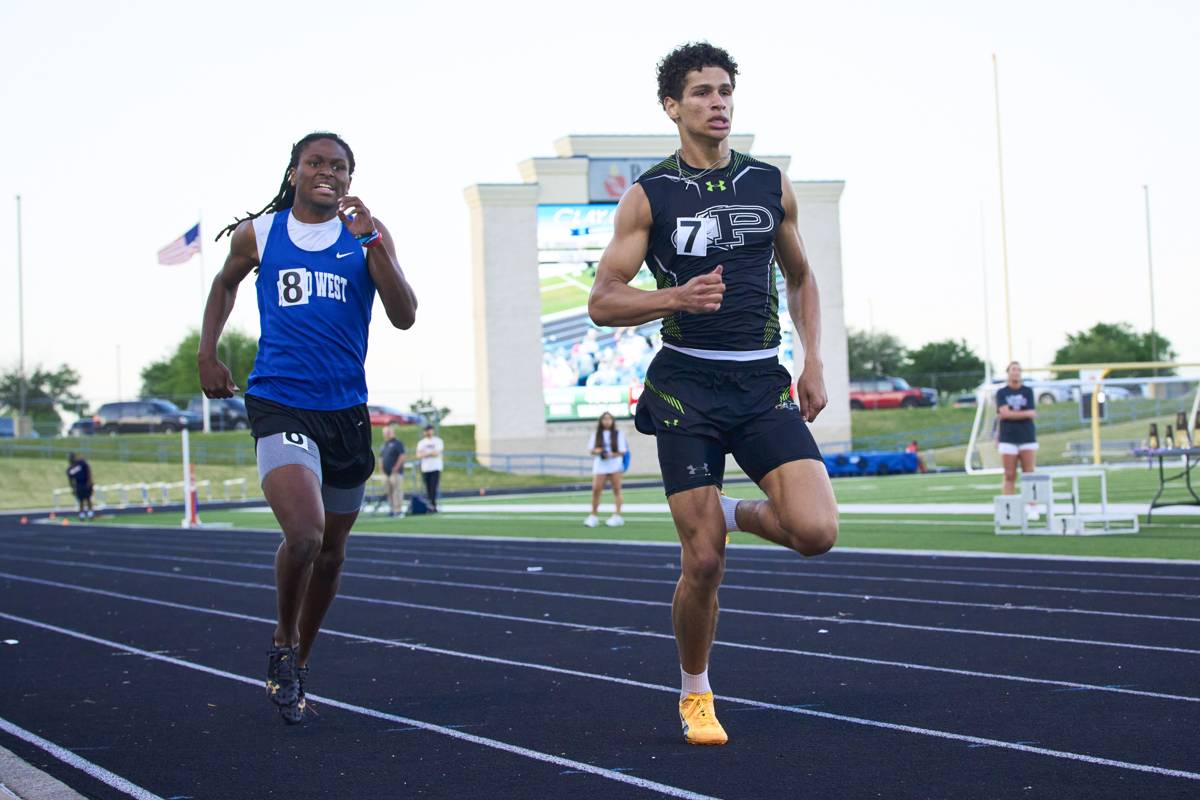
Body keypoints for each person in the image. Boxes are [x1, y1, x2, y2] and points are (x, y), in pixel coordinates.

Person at [588, 42, 838, 746]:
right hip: (686, 387)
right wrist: (674, 297)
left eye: (725, 90)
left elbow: (802, 277)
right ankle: (695, 690)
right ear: (672, 107)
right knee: (702, 561)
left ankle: (728, 510)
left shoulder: (770, 183)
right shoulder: (649, 196)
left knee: (816, 531)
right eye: (701, 92)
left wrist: (813, 360)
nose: (717, 102)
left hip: (761, 383)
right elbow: (603, 300)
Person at [198, 132, 417, 725]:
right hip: (280, 401)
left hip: (345, 412)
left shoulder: (366, 234)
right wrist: (208, 353)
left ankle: (299, 659)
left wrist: (371, 240)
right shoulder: (260, 234)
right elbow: (224, 283)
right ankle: (282, 638)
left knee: (333, 554)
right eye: (315, 162)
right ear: (294, 172)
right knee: (305, 536)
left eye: (338, 166)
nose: (327, 172)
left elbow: (404, 315)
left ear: (350, 178)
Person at [996, 361, 1037, 497]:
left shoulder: (1027, 391)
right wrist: (1023, 414)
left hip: (1027, 436)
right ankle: (1009, 504)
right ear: (1008, 373)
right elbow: (1004, 413)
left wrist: (1010, 414)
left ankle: (1031, 504)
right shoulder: (1002, 392)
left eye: (1019, 370)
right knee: (1009, 474)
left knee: (1029, 473)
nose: (1016, 372)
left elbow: (1032, 413)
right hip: (1008, 437)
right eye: (1013, 369)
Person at [584, 412, 628, 528]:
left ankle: (617, 516)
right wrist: (598, 451)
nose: (607, 421)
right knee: (596, 490)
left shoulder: (618, 434)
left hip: (614, 465)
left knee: (617, 490)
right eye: (604, 419)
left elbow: (622, 451)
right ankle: (593, 516)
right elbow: (591, 450)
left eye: (609, 419)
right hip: (600, 465)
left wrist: (611, 454)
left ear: (612, 421)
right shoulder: (596, 434)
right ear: (601, 421)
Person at [379, 424, 407, 517]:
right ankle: (392, 509)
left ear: (392, 432)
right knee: (389, 492)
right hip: (385, 473)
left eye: (388, 432)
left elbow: (402, 456)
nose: (386, 434)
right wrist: (381, 469)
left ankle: (398, 510)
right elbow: (381, 458)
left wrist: (396, 467)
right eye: (385, 432)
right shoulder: (384, 444)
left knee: (397, 491)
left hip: (395, 472)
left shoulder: (398, 443)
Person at [416, 424, 444, 511]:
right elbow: (419, 455)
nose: (428, 432)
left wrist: (426, 453)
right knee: (427, 488)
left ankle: (433, 505)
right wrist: (430, 453)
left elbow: (436, 453)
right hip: (425, 468)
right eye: (426, 430)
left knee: (433, 487)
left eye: (429, 430)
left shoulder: (438, 441)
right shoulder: (421, 443)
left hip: (435, 467)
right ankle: (430, 505)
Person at [66, 453, 94, 520]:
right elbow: (71, 480)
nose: (71, 459)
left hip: (86, 482)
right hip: (78, 484)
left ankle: (90, 514)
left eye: (72, 457)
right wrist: (73, 488)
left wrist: (89, 481)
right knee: (80, 500)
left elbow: (88, 471)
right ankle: (82, 515)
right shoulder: (69, 469)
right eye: (70, 458)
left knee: (88, 498)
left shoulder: (81, 463)